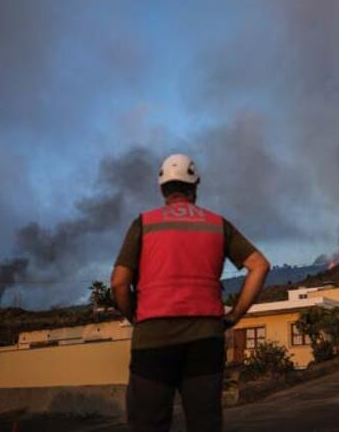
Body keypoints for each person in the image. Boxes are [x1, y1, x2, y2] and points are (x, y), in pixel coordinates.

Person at [111, 153, 270, 432]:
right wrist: (233, 316)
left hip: (153, 339)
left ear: (162, 188)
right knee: (204, 423)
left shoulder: (144, 223)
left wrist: (136, 316)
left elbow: (119, 284)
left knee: (147, 424)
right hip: (205, 337)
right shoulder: (217, 224)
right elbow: (260, 266)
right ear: (195, 186)